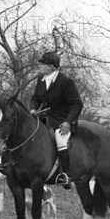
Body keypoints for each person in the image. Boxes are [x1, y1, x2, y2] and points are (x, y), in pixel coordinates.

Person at [30, 51, 83, 188]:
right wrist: (33, 109)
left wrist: (68, 122)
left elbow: (77, 104)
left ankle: (65, 175)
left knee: (60, 140)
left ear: (52, 67)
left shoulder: (66, 82)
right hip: (43, 119)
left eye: (42, 64)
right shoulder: (41, 79)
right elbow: (35, 98)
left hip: (61, 121)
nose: (39, 66)